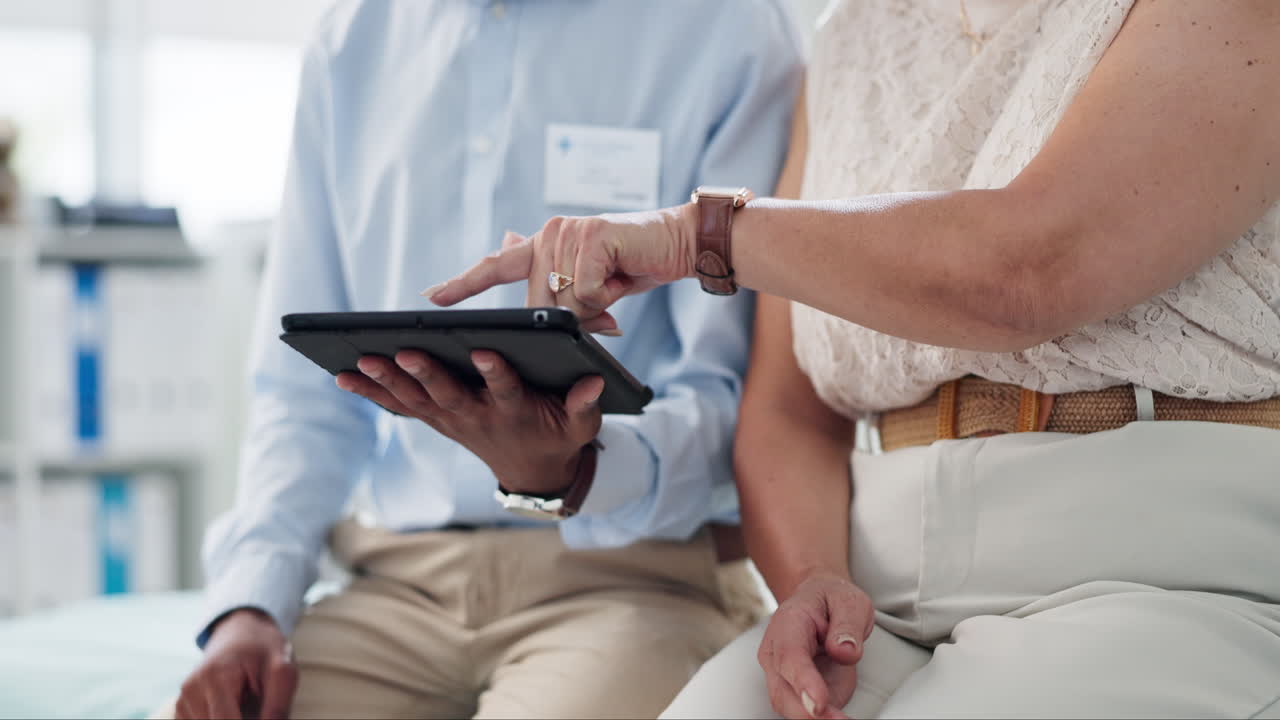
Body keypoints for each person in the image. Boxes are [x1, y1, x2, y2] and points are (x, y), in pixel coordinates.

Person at [432, 0, 1280, 717]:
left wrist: (699, 236)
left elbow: (1029, 272)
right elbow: (787, 412)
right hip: (883, 602)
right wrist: (811, 579)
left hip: (1160, 575)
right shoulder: (848, 37)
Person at [171, 1, 802, 718]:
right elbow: (301, 396)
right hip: (396, 585)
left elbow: (744, 395)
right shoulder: (352, 34)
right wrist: (251, 603)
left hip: (641, 580)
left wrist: (576, 473)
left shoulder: (730, 28)